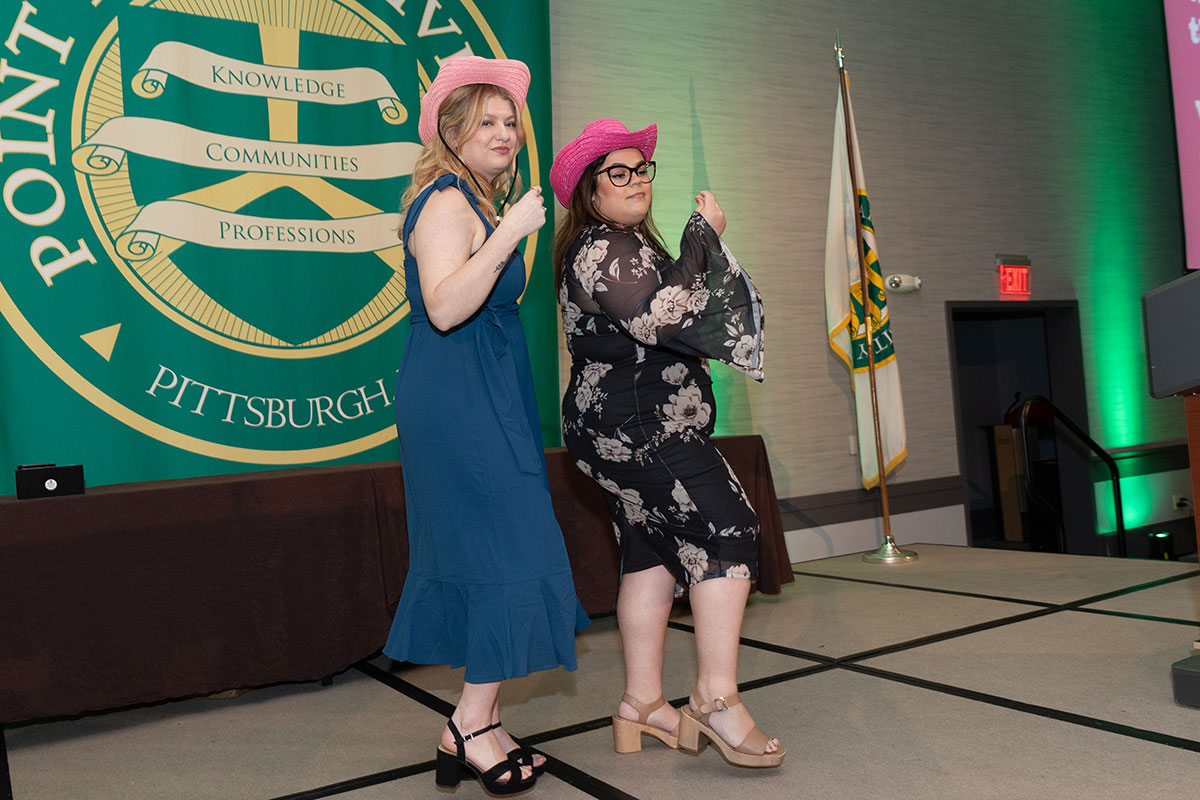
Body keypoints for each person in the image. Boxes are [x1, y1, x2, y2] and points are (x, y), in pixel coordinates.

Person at [382, 56, 588, 796]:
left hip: (489, 390)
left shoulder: (484, 202)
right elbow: (442, 306)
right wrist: (508, 237)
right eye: (486, 123)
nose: (504, 133)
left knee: (503, 549)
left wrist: (512, 229)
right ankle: (466, 725)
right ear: (452, 132)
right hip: (454, 397)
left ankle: (484, 722)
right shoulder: (444, 200)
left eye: (510, 123)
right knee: (507, 550)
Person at [549, 119, 782, 768]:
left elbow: (672, 308)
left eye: (640, 169)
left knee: (649, 551)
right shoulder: (603, 250)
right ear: (589, 194)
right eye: (616, 174)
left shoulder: (623, 245)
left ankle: (641, 705)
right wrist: (702, 237)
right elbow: (656, 317)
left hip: (621, 429)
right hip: (639, 429)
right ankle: (714, 698)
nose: (635, 182)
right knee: (731, 529)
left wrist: (692, 247)